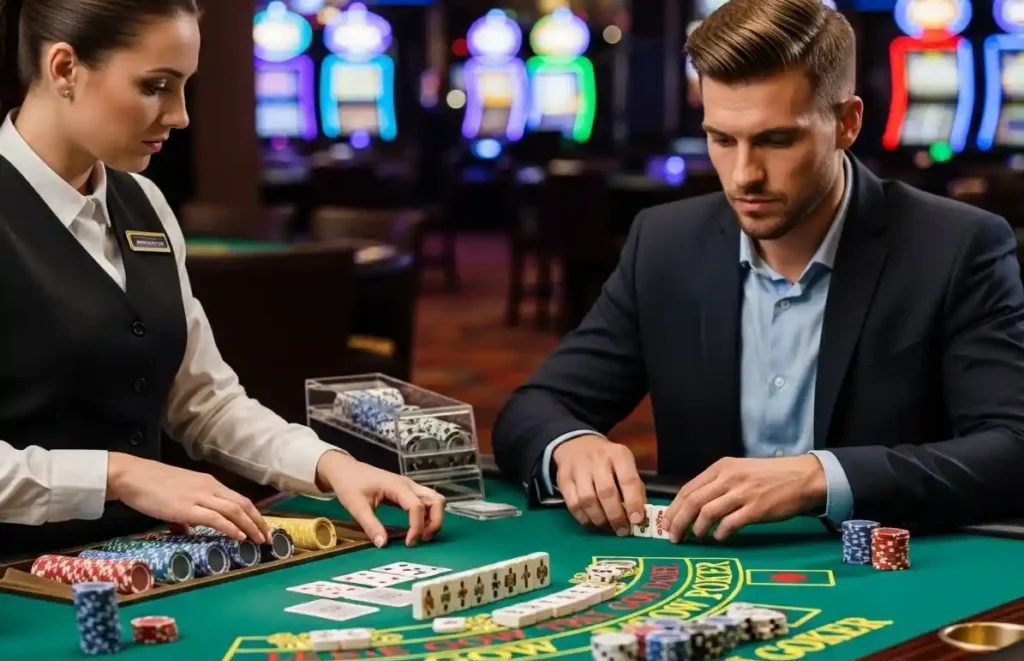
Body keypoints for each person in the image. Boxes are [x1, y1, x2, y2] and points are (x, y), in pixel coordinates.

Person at [492, 0, 1024, 542]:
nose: (744, 175)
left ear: (847, 123)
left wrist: (820, 476)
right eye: (722, 139)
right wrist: (571, 445)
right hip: (705, 584)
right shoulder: (665, 244)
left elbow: (1011, 449)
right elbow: (533, 410)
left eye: (776, 140)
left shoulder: (957, 246)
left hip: (890, 578)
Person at [0, 0, 445, 557]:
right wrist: (118, 476)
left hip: (143, 564)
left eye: (184, 85)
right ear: (64, 68)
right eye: (156, 85)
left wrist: (332, 465)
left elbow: (204, 402)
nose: (181, 114)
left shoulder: (144, 202)